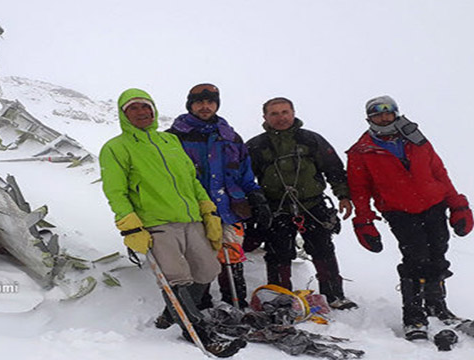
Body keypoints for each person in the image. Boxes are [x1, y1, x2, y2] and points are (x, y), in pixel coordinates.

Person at [99, 88, 246, 357]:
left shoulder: (170, 141)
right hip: (156, 223)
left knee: (207, 270)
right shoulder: (115, 148)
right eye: (133, 108)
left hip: (191, 219)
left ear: (153, 110)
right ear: (123, 113)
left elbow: (191, 180)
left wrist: (208, 211)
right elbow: (115, 192)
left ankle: (172, 313)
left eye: (146, 107)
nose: (142, 112)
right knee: (176, 277)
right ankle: (199, 333)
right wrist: (129, 224)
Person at [346, 95, 473, 340]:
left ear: (396, 113)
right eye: (377, 114)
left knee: (438, 252)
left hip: (434, 204)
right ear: (369, 118)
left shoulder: (415, 138)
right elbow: (359, 190)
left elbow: (439, 171)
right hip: (399, 210)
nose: (383, 117)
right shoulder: (361, 151)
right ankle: (414, 316)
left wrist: (457, 204)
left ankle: (437, 306)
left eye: (388, 112)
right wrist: (364, 221)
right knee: (415, 257)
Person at [166, 83, 272, 310]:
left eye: (210, 102)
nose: (205, 106)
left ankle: (235, 304)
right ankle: (200, 306)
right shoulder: (174, 138)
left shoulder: (231, 137)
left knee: (232, 257)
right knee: (198, 260)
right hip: (193, 211)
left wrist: (255, 196)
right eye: (199, 102)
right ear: (190, 105)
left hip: (230, 209)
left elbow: (245, 174)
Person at [245, 97, 357, 310]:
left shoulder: (311, 140)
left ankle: (334, 295)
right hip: (275, 207)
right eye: (274, 113)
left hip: (312, 205)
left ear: (293, 112)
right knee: (278, 253)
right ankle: (280, 297)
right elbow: (245, 179)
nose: (281, 118)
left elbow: (333, 168)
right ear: (265, 117)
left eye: (285, 112)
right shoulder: (256, 146)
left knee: (323, 249)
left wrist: (343, 196)